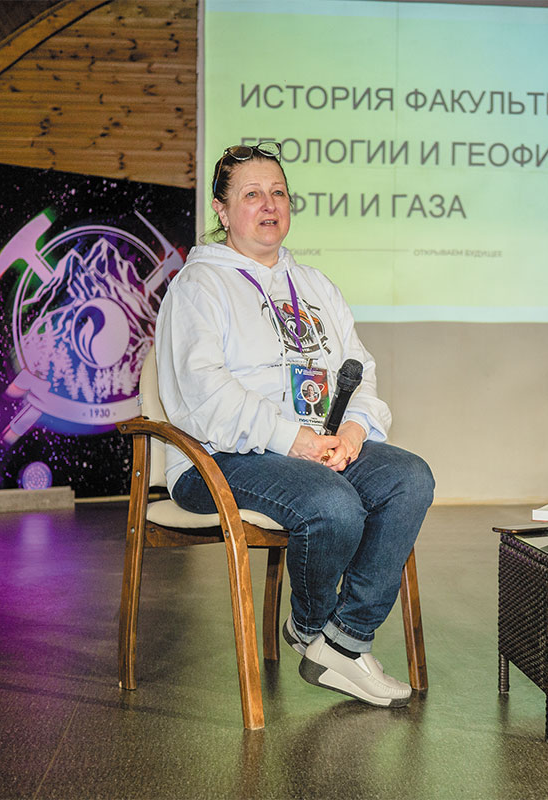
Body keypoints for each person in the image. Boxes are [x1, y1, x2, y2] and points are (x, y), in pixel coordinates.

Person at [153, 142, 434, 708]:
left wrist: (353, 432)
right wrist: (293, 440)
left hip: (316, 447)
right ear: (221, 209)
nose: (269, 204)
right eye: (252, 194)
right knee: (332, 503)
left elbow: (359, 368)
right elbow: (205, 394)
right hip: (219, 456)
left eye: (278, 192)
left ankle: (343, 640)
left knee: (409, 478)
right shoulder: (198, 286)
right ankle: (313, 628)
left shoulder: (315, 285)